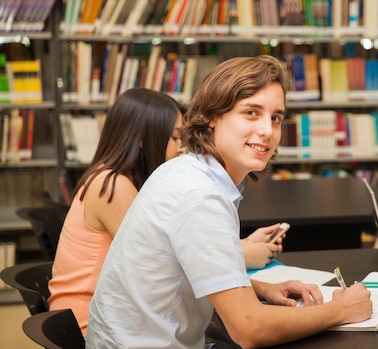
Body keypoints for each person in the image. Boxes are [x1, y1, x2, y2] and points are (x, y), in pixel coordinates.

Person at [85, 55, 372, 349]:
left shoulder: (184, 171)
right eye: (251, 113)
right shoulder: (200, 196)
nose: (267, 130)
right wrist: (339, 310)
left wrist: (258, 289)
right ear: (210, 118)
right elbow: (249, 329)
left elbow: (183, 267)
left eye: (276, 117)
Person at [49, 87, 285, 336]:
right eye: (174, 138)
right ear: (142, 139)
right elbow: (169, 260)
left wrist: (245, 262)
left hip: (102, 318)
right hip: (87, 326)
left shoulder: (118, 178)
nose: (181, 148)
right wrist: (243, 252)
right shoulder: (113, 186)